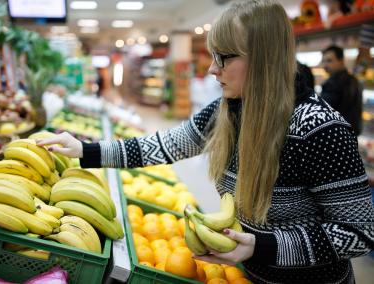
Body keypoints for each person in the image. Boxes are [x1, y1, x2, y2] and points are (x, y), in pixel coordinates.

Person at [38, 1, 374, 283]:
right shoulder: (229, 110)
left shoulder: (320, 129)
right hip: (246, 274)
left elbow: (360, 232)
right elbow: (165, 145)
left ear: (263, 59)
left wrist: (263, 246)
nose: (213, 69)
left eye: (224, 57)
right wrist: (85, 150)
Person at [321, 45, 363, 135]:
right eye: (324, 61)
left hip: (335, 135)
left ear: (341, 61)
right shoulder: (354, 80)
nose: (325, 65)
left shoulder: (332, 83)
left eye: (329, 61)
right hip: (351, 134)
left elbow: (324, 113)